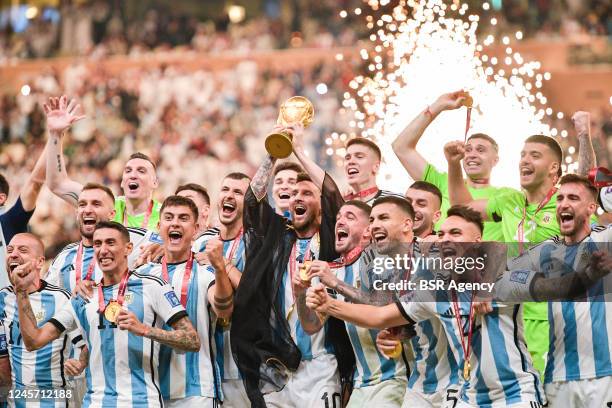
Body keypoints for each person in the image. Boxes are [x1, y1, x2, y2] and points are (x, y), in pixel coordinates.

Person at [308, 205, 609, 408]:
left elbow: (556, 287)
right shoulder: (433, 291)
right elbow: (378, 315)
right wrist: (330, 304)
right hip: (468, 398)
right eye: (440, 234)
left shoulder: (499, 280)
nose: (444, 240)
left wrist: (589, 274)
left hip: (515, 397)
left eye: (455, 234)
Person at [231, 124, 353, 408]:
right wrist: (274, 152)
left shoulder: (331, 239)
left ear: (321, 207)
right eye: (294, 194)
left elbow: (333, 195)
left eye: (307, 194)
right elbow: (252, 203)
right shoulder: (276, 237)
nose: (297, 197)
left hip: (322, 365)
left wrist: (297, 150)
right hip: (278, 367)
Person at [14, 221, 200, 408]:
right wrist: (21, 293)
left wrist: (144, 330)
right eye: (97, 244)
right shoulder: (84, 296)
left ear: (128, 248)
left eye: (110, 243)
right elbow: (34, 341)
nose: (103, 250)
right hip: (95, 402)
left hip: (142, 401)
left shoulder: (151, 286)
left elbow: (192, 340)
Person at [504, 174, 612, 407]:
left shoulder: (605, 238)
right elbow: (503, 273)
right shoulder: (546, 251)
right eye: (560, 198)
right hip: (557, 377)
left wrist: (605, 195)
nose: (563, 203)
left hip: (605, 375)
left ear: (591, 208)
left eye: (573, 198)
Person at [301, 200, 409, 407]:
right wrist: (301, 292)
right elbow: (311, 326)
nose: (340, 221)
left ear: (368, 231)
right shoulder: (330, 270)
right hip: (360, 381)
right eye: (339, 217)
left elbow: (384, 308)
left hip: (394, 377)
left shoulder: (381, 258)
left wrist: (336, 284)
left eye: (350, 217)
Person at [136, 196, 234, 407]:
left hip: (196, 389)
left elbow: (224, 310)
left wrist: (220, 268)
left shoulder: (205, 270)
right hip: (150, 389)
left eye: (183, 218)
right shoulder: (141, 275)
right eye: (169, 217)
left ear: (196, 228)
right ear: (159, 225)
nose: (175, 223)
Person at [392, 91, 513, 241]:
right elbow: (401, 147)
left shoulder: (507, 196)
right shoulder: (442, 182)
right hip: (439, 261)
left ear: (495, 160)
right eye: (467, 149)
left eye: (480, 150)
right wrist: (438, 106)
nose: (472, 154)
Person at [43, 96, 162, 231]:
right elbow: (57, 184)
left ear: (155, 182)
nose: (133, 175)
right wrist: (55, 135)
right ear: (122, 182)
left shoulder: (166, 215)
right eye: (128, 171)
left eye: (141, 171)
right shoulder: (106, 205)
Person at [1, 233, 86, 407]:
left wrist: (79, 363)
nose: (13, 254)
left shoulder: (61, 298)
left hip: (54, 400)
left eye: (22, 250)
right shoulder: (2, 299)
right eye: (10, 250)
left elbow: (84, 344)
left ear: (40, 262)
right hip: (14, 401)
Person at [192, 173, 250, 408]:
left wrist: (223, 264)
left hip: (245, 365)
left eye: (238, 192)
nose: (229, 195)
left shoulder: (255, 243)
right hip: (208, 364)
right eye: (225, 189)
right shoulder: (201, 244)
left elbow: (257, 294)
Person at [45, 183, 162, 292]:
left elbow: (174, 240)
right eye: (82, 205)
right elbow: (48, 298)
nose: (87, 210)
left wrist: (164, 246)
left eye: (96, 204)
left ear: (112, 214)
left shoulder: (135, 238)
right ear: (77, 213)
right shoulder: (64, 257)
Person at [0, 146, 47, 289]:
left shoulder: (9, 221)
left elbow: (35, 183)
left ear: (1, 198)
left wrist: (55, 136)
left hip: (12, 306)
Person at [343, 138, 401, 205]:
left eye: (359, 157)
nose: (350, 162)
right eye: (347, 158)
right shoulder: (337, 205)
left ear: (376, 167)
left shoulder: (395, 202)